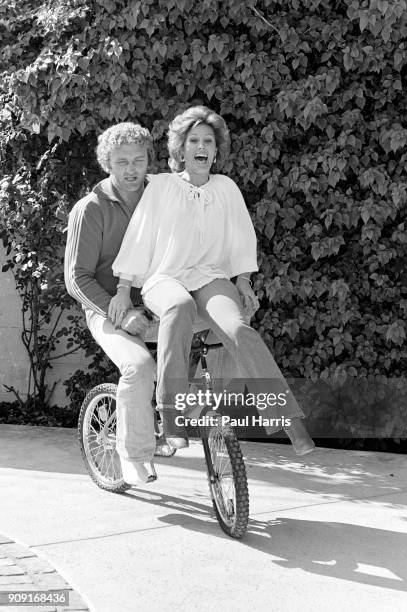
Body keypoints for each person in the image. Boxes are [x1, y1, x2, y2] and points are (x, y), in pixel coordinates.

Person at [110, 106, 315, 455]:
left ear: (216, 150)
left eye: (208, 140)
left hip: (210, 278)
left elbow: (240, 241)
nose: (200, 146)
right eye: (193, 140)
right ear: (181, 149)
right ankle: (171, 418)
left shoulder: (227, 188)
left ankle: (286, 417)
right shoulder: (161, 186)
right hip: (166, 279)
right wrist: (123, 290)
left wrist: (245, 281)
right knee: (179, 306)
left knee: (239, 330)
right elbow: (140, 234)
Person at [64, 122, 161, 485]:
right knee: (138, 366)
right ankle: (132, 455)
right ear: (107, 163)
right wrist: (120, 313)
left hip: (157, 300)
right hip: (106, 308)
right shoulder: (90, 209)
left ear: (150, 159)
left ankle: (172, 425)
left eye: (139, 160)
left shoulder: (160, 199)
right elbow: (77, 278)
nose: (132, 169)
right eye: (122, 162)